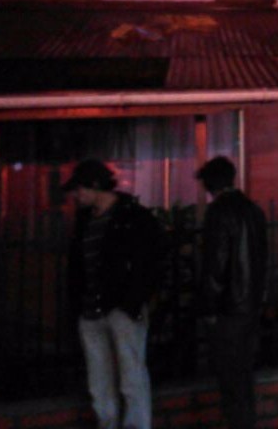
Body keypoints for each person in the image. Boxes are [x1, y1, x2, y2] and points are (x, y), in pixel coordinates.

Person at [64, 158, 165, 429]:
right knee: (100, 380)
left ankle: (132, 425)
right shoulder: (89, 220)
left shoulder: (133, 217)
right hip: (93, 309)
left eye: (79, 189)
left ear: (95, 186)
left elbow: (152, 261)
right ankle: (108, 423)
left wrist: (133, 301)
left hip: (120, 307)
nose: (76, 195)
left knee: (130, 377)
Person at [197, 156, 268, 429]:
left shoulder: (218, 213)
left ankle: (237, 423)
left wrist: (209, 307)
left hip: (228, 308)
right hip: (249, 304)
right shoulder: (253, 210)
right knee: (244, 372)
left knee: (229, 376)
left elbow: (216, 264)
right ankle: (246, 422)